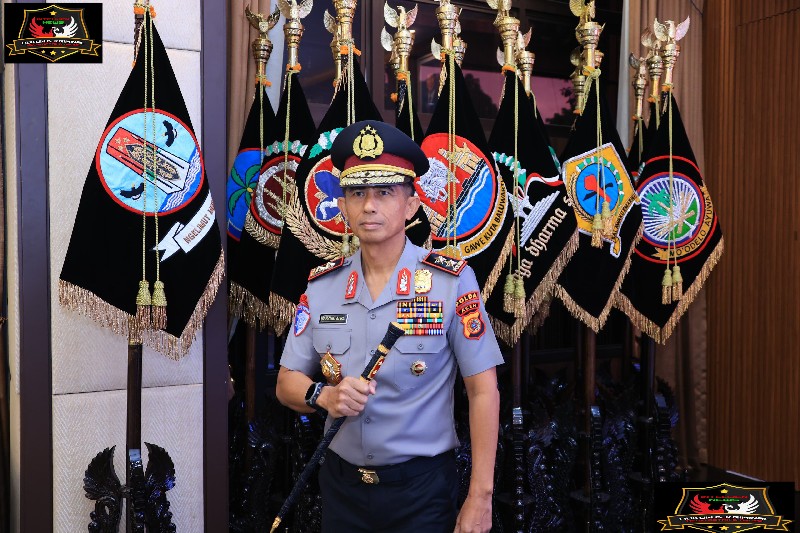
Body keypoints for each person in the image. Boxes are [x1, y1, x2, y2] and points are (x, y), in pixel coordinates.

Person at [276, 120, 503, 533]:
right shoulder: (322, 287)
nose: (369, 206)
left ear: (411, 205)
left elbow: (483, 389)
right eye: (357, 193)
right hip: (342, 491)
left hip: (421, 493)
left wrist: (480, 497)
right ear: (342, 207)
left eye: (384, 192)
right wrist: (324, 396)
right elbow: (287, 380)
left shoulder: (448, 283)